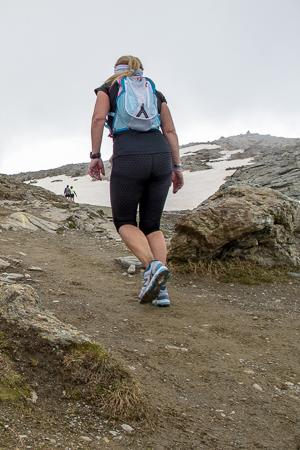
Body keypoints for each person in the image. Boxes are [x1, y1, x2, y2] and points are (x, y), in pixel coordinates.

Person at [88, 55, 184, 307]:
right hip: (161, 156)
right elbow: (170, 131)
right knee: (152, 224)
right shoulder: (156, 93)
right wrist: (176, 167)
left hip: (129, 156)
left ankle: (152, 267)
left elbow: (98, 119)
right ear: (140, 71)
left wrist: (95, 156)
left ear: (116, 70)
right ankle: (160, 290)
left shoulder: (108, 88)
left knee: (125, 221)